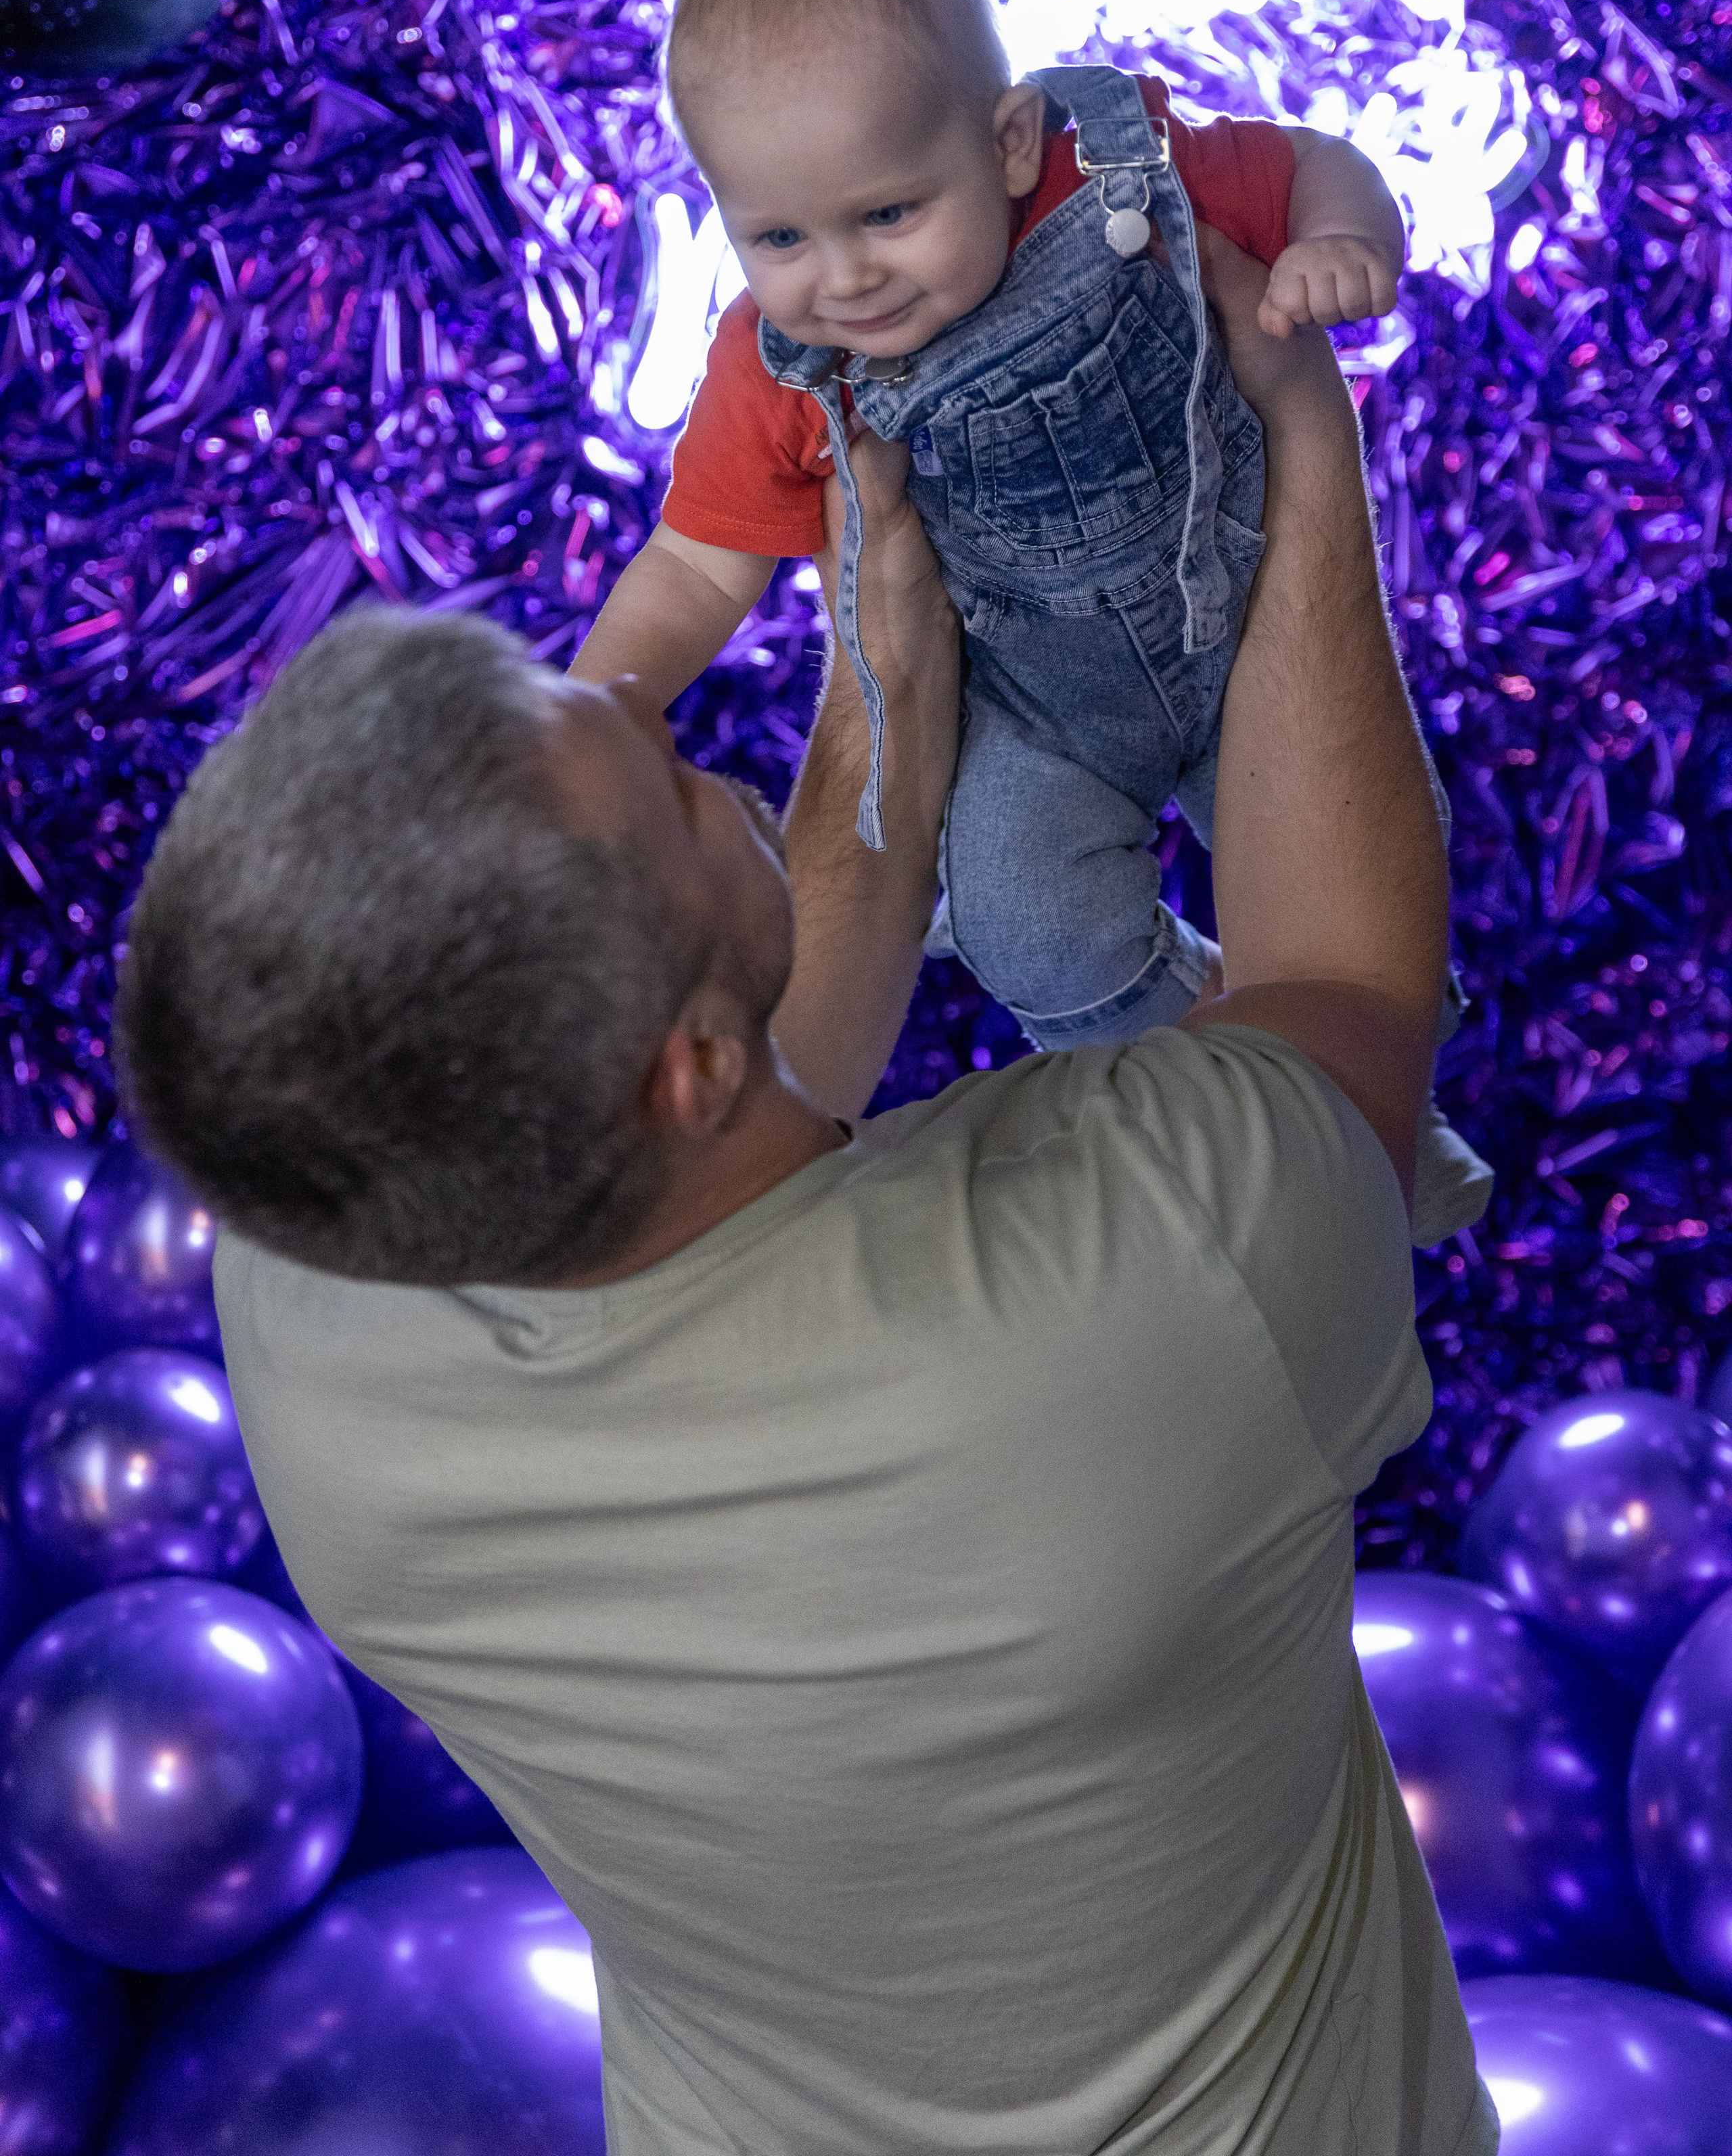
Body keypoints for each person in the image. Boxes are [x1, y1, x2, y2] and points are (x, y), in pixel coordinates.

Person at [118, 235, 1496, 2156]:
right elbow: (1342, 991)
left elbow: (740, 1093)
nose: (684, 742)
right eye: (670, 779)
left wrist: (880, 696)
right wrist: (1295, 449)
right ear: (679, 1061)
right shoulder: (1143, 1287)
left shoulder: (323, 1281)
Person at [574, 0, 1490, 1247]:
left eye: (888, 213)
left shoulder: (1120, 174)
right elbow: (696, 568)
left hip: (1238, 621)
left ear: (1006, 144)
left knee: (1337, 880)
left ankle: (1385, 1117)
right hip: (1024, 704)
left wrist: (1343, 238)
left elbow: (1305, 159)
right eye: (778, 237)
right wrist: (593, 708)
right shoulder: (775, 370)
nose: (844, 279)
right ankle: (1224, 1110)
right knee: (1017, 918)